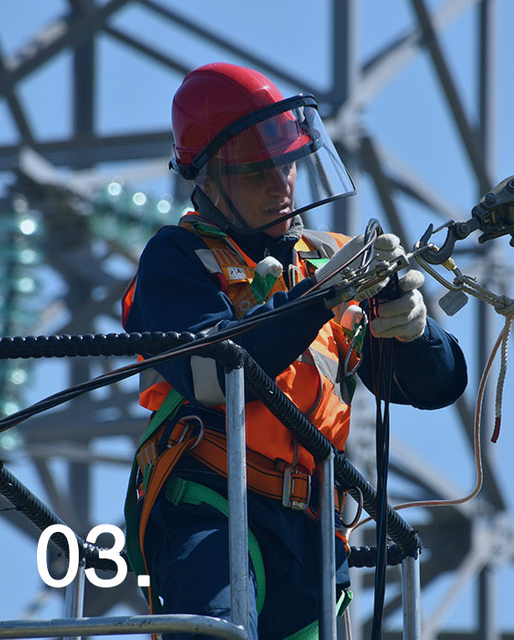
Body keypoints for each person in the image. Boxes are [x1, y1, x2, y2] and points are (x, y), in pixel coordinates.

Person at [122, 62, 467, 639]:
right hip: (215, 500)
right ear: (207, 181)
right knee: (216, 630)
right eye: (258, 172)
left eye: (287, 166)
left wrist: (415, 331)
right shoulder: (179, 258)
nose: (281, 184)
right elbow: (210, 374)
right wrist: (317, 299)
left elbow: (435, 386)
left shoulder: (324, 259)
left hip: (313, 532)